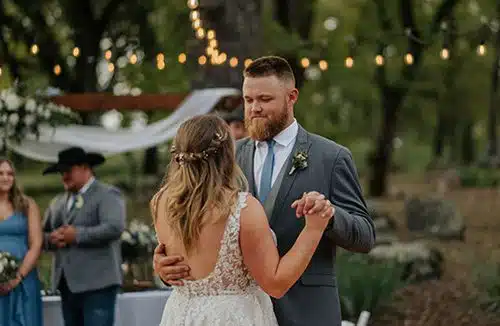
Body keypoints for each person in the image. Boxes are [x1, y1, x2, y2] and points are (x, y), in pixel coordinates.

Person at [154, 56, 375, 326]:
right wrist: (165, 267)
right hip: (239, 314)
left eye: (265, 99)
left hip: (306, 311)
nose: (254, 108)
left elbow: (364, 235)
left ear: (291, 97)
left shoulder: (330, 157)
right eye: (248, 100)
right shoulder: (228, 157)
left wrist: (329, 215)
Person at [151, 114, 334, 325]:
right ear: (227, 155)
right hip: (232, 317)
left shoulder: (161, 202)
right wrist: (313, 229)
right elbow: (276, 284)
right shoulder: (241, 208)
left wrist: (160, 267)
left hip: (181, 315)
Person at [42, 147, 126, 326]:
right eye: (61, 172)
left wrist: (77, 235)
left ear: (85, 168)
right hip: (67, 285)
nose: (63, 176)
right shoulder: (57, 202)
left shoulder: (107, 195)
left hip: (98, 285)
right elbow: (41, 235)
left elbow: (114, 227)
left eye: (68, 171)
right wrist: (52, 239)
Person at [0, 158, 43, 326]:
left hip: (24, 278)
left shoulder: (27, 205)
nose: (5, 178)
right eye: (0, 173)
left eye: (9, 174)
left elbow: (36, 244)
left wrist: (17, 277)